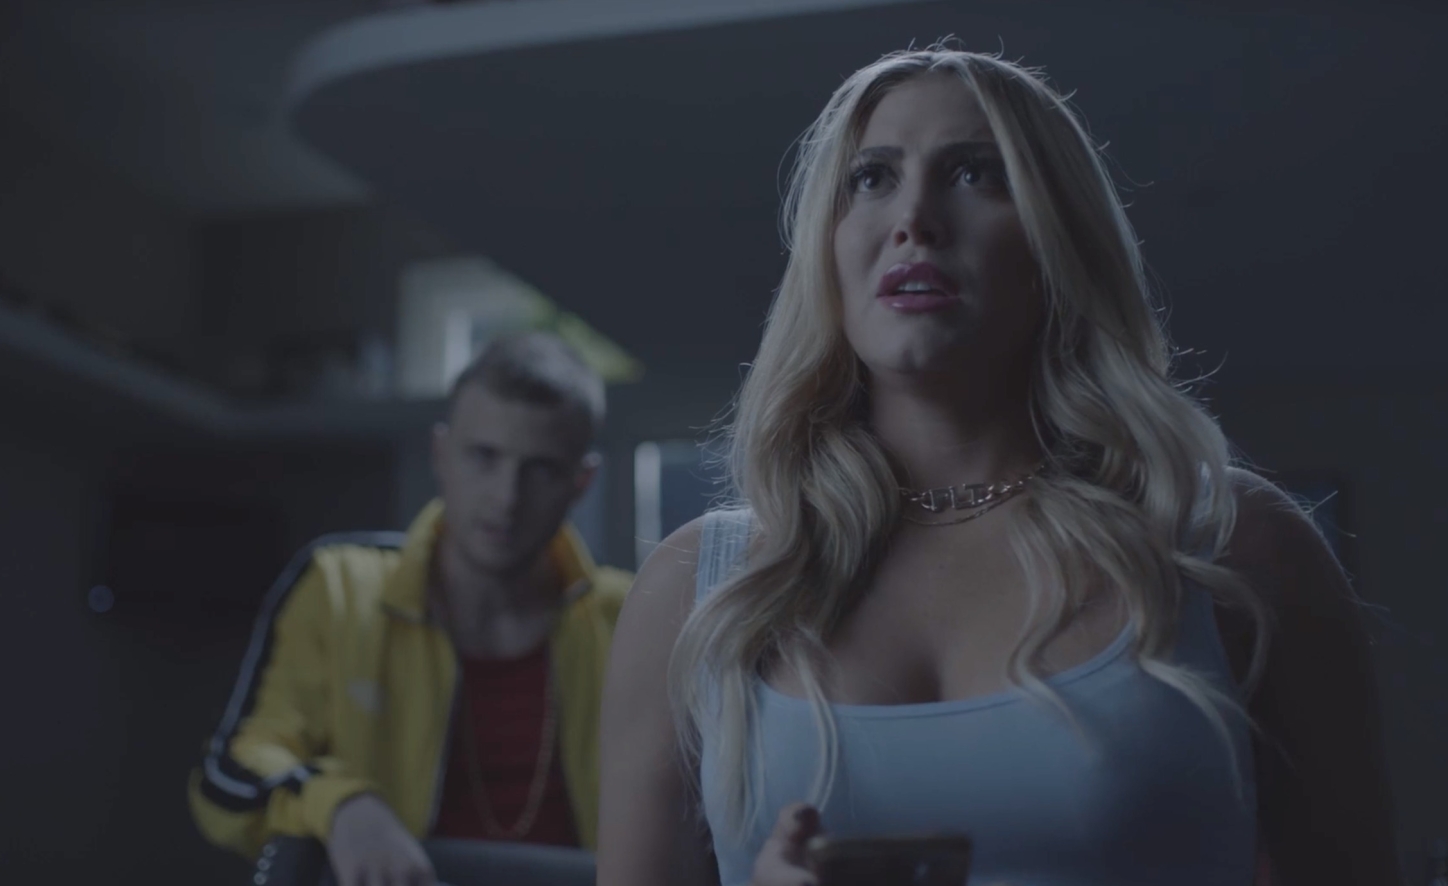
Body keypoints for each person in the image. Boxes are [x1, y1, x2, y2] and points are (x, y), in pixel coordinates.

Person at [597, 46, 1400, 886]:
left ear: (1060, 240)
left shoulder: (1234, 548)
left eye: (974, 173)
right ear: (826, 248)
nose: (915, 219)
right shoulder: (699, 590)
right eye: (871, 178)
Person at [189, 331, 633, 886]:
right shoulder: (338, 586)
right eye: (484, 456)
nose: (507, 497)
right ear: (440, 454)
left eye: (540, 468)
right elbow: (231, 771)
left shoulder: (630, 617)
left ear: (581, 482)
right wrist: (343, 806)